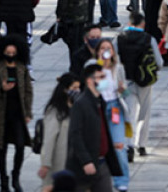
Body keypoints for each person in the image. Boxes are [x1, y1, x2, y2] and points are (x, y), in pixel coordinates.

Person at [0, 36, 33, 192]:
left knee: (20, 145)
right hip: (1, 114)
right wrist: (2, 89)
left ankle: (15, 176)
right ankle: (3, 180)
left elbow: (28, 91)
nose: (11, 55)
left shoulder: (22, 69)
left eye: (13, 53)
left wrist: (28, 112)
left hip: (18, 114)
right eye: (8, 53)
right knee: (2, 148)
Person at [66, 63, 122, 192]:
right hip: (85, 166)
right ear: (90, 81)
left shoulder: (100, 101)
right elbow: (75, 135)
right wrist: (86, 161)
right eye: (100, 77)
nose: (104, 80)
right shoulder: (81, 104)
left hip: (102, 163)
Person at [116, 11, 161, 159]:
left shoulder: (119, 39)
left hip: (126, 82)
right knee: (144, 113)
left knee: (128, 113)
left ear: (129, 23)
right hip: (144, 82)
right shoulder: (148, 39)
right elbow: (159, 62)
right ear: (143, 24)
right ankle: (141, 145)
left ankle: (129, 145)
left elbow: (114, 60)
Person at [94, 38, 130, 191]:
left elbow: (126, 92)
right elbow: (93, 90)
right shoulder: (93, 68)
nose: (105, 51)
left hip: (115, 107)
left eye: (108, 48)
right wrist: (100, 68)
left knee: (118, 145)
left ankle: (122, 180)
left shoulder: (118, 68)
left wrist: (123, 89)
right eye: (102, 48)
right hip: (99, 108)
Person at [38, 73, 79, 187]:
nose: (77, 91)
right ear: (65, 89)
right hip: (59, 160)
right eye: (74, 88)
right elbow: (49, 138)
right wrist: (46, 163)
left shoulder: (77, 106)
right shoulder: (55, 111)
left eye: (78, 87)